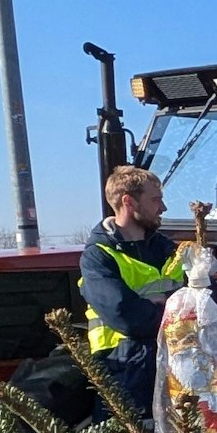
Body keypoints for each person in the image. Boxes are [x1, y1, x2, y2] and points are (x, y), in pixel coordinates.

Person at [80, 165, 181, 416]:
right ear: (129, 201)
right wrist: (175, 311)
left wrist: (152, 302)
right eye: (155, 200)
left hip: (174, 361)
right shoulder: (97, 256)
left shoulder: (169, 248)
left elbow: (205, 299)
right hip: (123, 369)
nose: (163, 208)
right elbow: (125, 315)